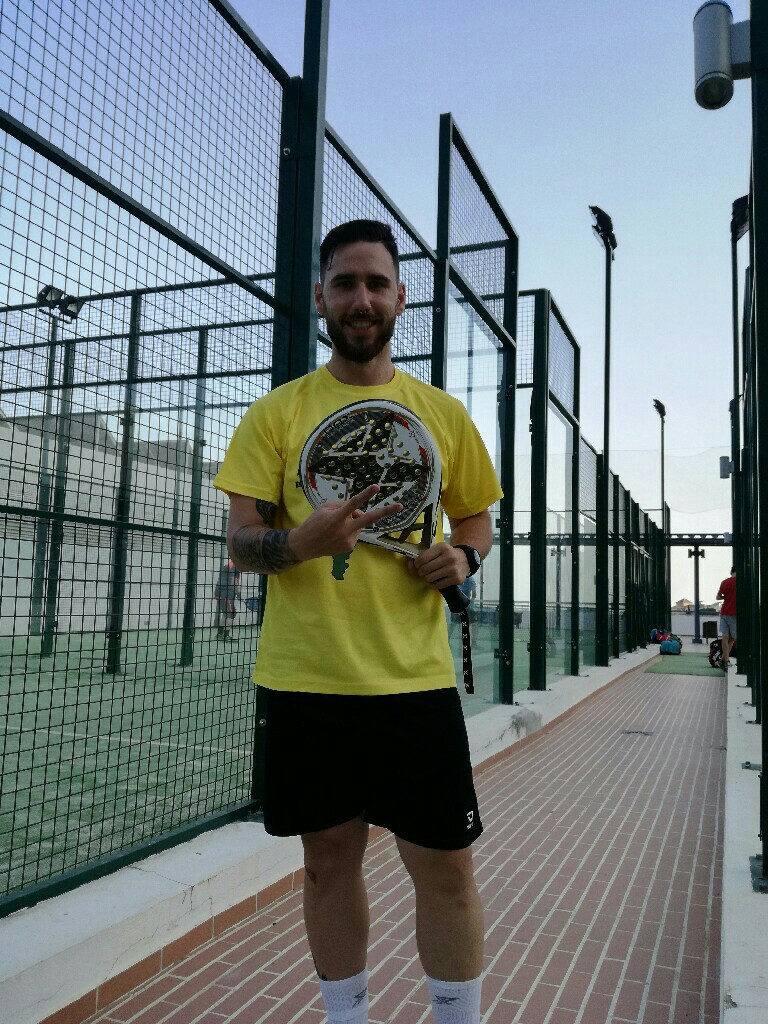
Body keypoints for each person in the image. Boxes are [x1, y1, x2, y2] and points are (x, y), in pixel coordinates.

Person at [213, 219, 502, 1024]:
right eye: (345, 283)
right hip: (305, 683)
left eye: (376, 283)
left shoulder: (441, 414)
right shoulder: (276, 414)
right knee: (326, 865)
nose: (361, 298)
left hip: (415, 685)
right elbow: (241, 543)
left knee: (447, 870)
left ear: (401, 297)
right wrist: (299, 543)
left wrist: (463, 557)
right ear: (320, 297)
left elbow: (477, 520)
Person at [214, 558, 241, 641]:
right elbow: (234, 581)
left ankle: (220, 634)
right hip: (227, 593)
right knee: (231, 614)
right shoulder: (236, 567)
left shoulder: (227, 566)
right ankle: (226, 636)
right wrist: (238, 593)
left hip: (219, 593)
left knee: (226, 613)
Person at [716, 566, 737, 671]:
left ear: (731, 571)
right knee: (732, 639)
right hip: (735, 613)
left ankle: (725, 660)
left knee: (725, 637)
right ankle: (725, 660)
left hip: (724, 612)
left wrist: (726, 597)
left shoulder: (725, 582)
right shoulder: (742, 583)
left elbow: (718, 597)